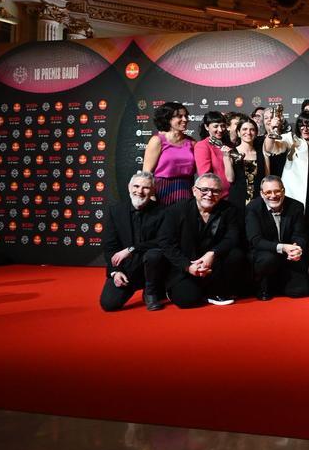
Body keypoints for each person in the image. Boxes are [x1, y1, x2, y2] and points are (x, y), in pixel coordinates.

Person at [158, 173, 245, 308]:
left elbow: (232, 237)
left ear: (221, 193)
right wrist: (188, 266)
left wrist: (212, 253)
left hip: (215, 266)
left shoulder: (229, 210)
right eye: (204, 190)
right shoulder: (176, 210)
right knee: (187, 300)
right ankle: (175, 290)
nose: (209, 194)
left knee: (236, 254)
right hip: (185, 266)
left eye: (215, 191)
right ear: (194, 190)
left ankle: (214, 290)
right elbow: (166, 243)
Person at [100, 171, 167, 312]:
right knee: (109, 304)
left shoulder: (163, 212)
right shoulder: (116, 211)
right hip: (127, 268)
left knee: (154, 254)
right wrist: (115, 271)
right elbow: (110, 246)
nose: (139, 191)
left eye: (146, 188)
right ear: (129, 187)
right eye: (136, 186)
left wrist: (131, 249)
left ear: (153, 190)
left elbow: (163, 241)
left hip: (153, 268)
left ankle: (151, 291)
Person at [245, 175, 309, 301]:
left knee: (300, 291)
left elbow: (300, 234)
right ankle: (262, 286)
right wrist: (283, 247)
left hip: (288, 256)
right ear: (261, 193)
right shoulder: (253, 208)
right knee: (268, 259)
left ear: (283, 191)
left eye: (277, 191)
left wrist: (296, 249)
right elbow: (256, 240)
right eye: (268, 192)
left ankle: (280, 284)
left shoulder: (296, 206)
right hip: (264, 255)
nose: (273, 195)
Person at [265, 113, 309, 218]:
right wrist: (272, 130)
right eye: (301, 125)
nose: (305, 129)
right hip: (294, 192)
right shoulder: (291, 139)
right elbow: (271, 148)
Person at [143, 101, 196, 205]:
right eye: (180, 116)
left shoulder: (192, 143)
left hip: (186, 191)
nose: (185, 120)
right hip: (162, 192)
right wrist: (151, 196)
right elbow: (146, 173)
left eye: (186, 116)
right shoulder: (157, 140)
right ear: (168, 119)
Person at [226, 118, 268, 208]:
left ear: (256, 133)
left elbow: (267, 178)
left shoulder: (262, 153)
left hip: (258, 202)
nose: (248, 132)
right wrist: (226, 158)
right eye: (244, 129)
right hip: (237, 202)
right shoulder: (231, 152)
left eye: (252, 129)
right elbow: (230, 179)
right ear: (238, 133)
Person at [194, 111, 233, 200]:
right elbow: (205, 175)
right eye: (215, 126)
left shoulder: (228, 145)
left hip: (233, 194)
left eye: (223, 126)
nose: (220, 129)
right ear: (206, 127)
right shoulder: (202, 146)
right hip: (216, 197)